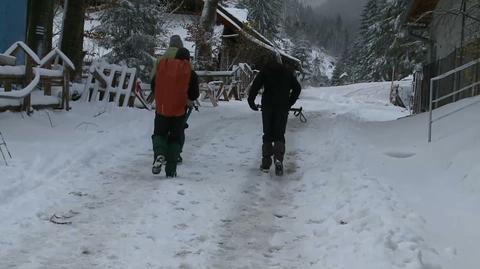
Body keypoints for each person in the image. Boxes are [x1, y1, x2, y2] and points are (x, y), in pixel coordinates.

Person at [151, 35, 199, 177]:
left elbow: (154, 84)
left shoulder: (163, 65)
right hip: (179, 110)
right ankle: (171, 170)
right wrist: (188, 98)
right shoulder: (190, 72)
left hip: (162, 108)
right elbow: (194, 94)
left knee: (159, 134)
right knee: (175, 138)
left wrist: (161, 97)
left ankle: (160, 154)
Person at [247, 53, 302, 176]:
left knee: (267, 134)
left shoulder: (265, 71)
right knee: (279, 134)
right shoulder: (287, 72)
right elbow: (297, 88)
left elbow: (255, 86)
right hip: (282, 107)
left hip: (267, 106)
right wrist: (289, 102)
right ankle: (278, 160)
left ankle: (266, 164)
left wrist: (251, 101)